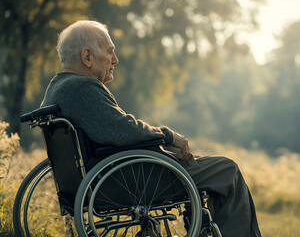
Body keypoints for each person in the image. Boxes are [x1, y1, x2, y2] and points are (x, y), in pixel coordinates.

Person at [40, 20, 262, 237]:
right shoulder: (83, 88)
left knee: (207, 168)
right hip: (131, 180)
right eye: (110, 52)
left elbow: (112, 132)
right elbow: (123, 130)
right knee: (227, 170)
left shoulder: (57, 88)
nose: (115, 60)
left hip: (111, 178)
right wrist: (168, 136)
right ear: (87, 56)